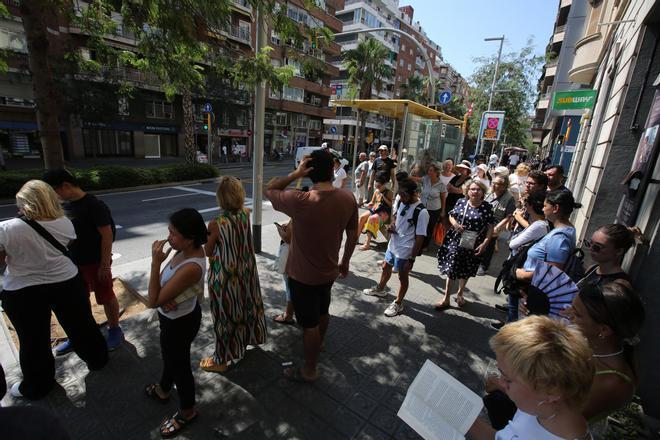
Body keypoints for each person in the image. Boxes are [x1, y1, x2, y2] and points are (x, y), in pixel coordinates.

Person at [0, 180, 108, 400]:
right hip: (67, 281)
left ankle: (39, 384)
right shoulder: (65, 223)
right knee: (82, 324)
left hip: (23, 290)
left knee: (33, 339)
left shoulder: (7, 229)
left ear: (27, 203)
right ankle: (98, 359)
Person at [266, 149, 358, 382]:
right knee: (323, 310)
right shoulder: (347, 198)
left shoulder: (301, 201)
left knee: (309, 324)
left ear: (309, 170)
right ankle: (319, 344)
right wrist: (345, 260)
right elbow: (352, 231)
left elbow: (271, 189)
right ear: (332, 169)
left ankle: (309, 369)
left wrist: (296, 172)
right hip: (329, 271)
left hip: (302, 276)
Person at [470, 316, 595, 440]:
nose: (500, 382)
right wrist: (462, 416)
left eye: (508, 379)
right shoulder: (539, 409)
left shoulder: (537, 407)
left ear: (552, 391)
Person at [42, 169, 123, 354]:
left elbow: (107, 235)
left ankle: (115, 329)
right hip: (72, 263)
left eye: (52, 192)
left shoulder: (94, 205)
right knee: (78, 300)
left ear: (66, 186)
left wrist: (104, 264)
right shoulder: (65, 205)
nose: (52, 198)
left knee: (106, 296)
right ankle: (80, 335)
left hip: (95, 261)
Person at [145, 208, 206, 438]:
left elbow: (152, 300)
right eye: (169, 231)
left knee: (180, 366)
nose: (168, 237)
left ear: (189, 238)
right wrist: (172, 297)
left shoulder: (191, 264)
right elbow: (167, 287)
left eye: (173, 233)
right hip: (176, 316)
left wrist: (154, 263)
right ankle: (163, 389)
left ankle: (187, 411)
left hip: (179, 324)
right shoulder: (183, 251)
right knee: (171, 357)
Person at [201, 176, 266, 372]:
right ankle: (244, 342)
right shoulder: (246, 213)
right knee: (246, 307)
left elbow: (208, 251)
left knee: (224, 316)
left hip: (225, 277)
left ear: (221, 198)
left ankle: (221, 360)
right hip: (246, 272)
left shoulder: (216, 224)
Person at [569, 280, 645, 422]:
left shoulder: (612, 382)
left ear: (603, 330)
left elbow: (564, 419)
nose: (569, 317)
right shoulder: (590, 344)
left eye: (577, 315)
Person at [362, 179, 429, 317]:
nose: (401, 198)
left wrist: (411, 259)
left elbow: (420, 238)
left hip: (406, 250)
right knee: (386, 266)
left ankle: (398, 303)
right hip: (393, 243)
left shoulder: (422, 212)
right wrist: (392, 225)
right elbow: (395, 215)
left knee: (402, 276)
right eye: (400, 195)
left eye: (404, 196)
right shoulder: (400, 200)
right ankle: (380, 289)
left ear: (414, 193)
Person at [491, 191, 549, 329]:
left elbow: (512, 243)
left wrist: (518, 218)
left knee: (515, 300)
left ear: (530, 206)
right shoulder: (540, 224)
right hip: (524, 264)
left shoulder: (539, 225)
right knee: (515, 302)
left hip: (523, 267)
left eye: (525, 203)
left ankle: (510, 330)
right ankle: (509, 325)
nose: (523, 204)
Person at [436, 180, 495, 309]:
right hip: (456, 241)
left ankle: (460, 293)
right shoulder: (461, 202)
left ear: (483, 192)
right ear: (467, 191)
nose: (475, 191)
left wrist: (485, 242)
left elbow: (491, 227)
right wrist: (455, 224)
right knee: (451, 270)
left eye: (478, 189)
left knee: (466, 270)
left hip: (474, 243)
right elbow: (451, 215)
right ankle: (446, 298)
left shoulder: (487, 207)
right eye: (472, 189)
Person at [578, 224, 641, 289]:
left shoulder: (620, 284)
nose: (590, 249)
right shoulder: (593, 268)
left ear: (619, 251)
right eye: (589, 243)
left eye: (597, 247)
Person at [477, 176, 516, 276]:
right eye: (493, 182)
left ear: (503, 186)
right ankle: (475, 261)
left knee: (489, 245)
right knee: (478, 241)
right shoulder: (488, 192)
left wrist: (497, 228)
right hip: (483, 222)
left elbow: (509, 216)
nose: (493, 185)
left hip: (496, 224)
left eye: (496, 183)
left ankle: (484, 266)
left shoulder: (509, 198)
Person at [358, 172, 394, 250]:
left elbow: (392, 206)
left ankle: (367, 244)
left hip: (385, 212)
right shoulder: (376, 191)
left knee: (372, 219)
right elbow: (372, 203)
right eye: (377, 186)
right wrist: (366, 204)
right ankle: (355, 238)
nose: (378, 188)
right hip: (375, 209)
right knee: (362, 217)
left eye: (379, 186)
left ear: (384, 185)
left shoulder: (389, 192)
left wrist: (384, 197)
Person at [418, 162, 447, 249]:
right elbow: (417, 179)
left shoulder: (441, 185)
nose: (429, 172)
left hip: (434, 209)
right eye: (428, 170)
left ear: (436, 172)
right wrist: (407, 177)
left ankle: (425, 245)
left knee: (429, 227)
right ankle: (418, 243)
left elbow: (443, 199)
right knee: (421, 225)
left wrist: (443, 211)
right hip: (423, 208)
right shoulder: (425, 179)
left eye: (431, 171)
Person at [273, 220, 295, 325]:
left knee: (290, 285)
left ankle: (288, 316)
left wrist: (279, 230)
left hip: (294, 256)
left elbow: (288, 238)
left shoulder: (301, 208)